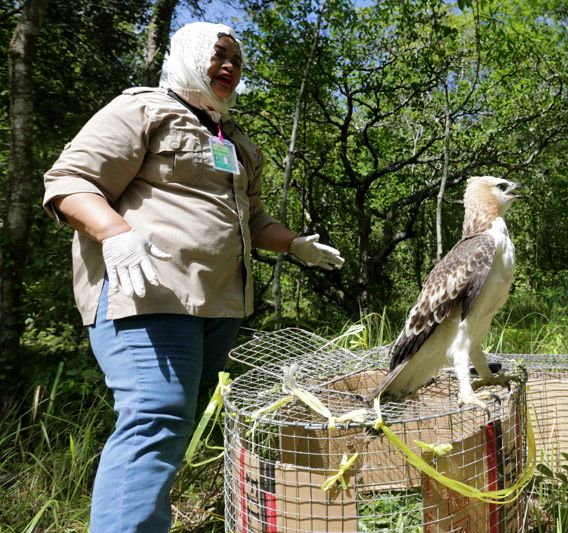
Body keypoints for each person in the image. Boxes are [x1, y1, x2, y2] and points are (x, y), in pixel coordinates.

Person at [42, 22, 344, 532]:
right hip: (149, 294)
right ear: (187, 54)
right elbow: (69, 182)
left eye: (236, 61)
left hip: (217, 304)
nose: (229, 66)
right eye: (217, 54)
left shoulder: (235, 139)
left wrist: (294, 244)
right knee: (156, 416)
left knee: (174, 424)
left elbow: (253, 218)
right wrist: (114, 232)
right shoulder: (141, 108)